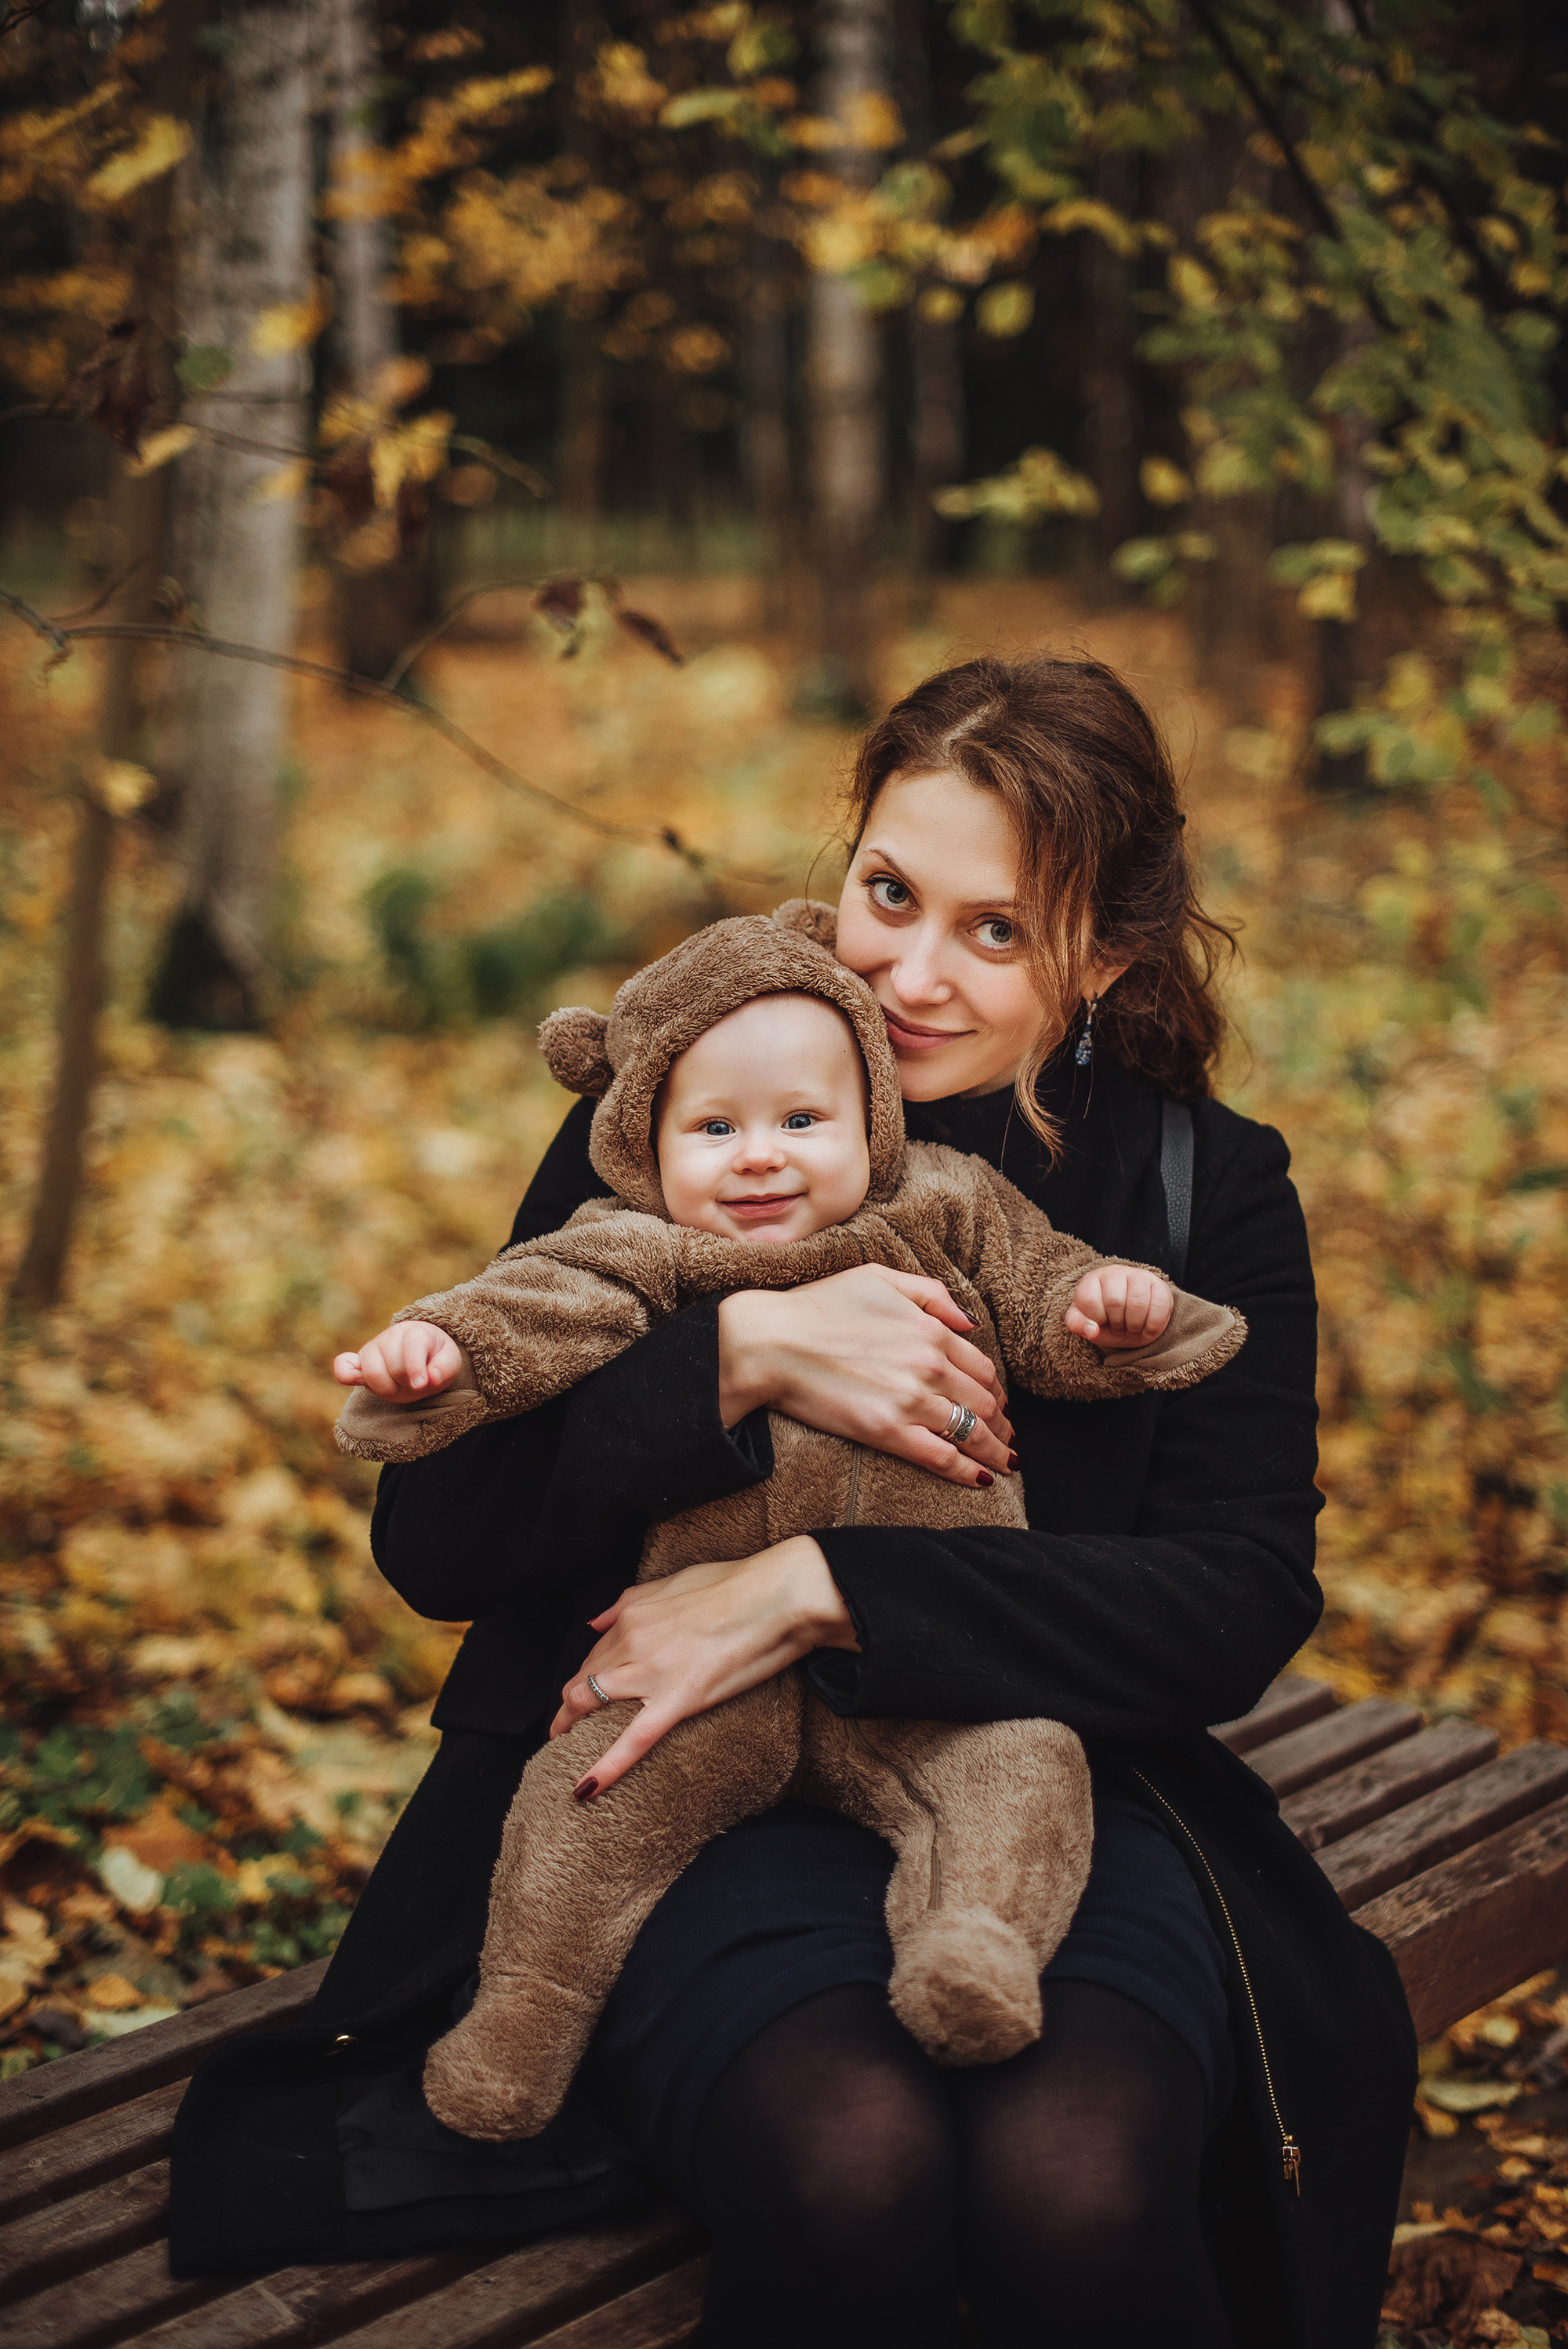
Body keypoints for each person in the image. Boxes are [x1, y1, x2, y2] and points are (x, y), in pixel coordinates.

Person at [170, 654, 1416, 2349]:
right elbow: (435, 1543)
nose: (906, 970)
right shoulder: (704, 1087)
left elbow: (1235, 1594)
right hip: (674, 1800)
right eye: (888, 890)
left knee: (1081, 2168)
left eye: (995, 929)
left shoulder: (1200, 1187)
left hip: (1041, 1780)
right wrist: (735, 1357)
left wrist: (819, 1585)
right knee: (850, 2158)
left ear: (1105, 954)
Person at [327, 906, 1243, 2142]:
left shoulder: (953, 1202)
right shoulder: (637, 1234)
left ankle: (970, 1947)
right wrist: (447, 1360)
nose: (758, 1156)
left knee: (1027, 1772)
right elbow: (520, 1319)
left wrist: (1120, 1309)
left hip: (945, 1690)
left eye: (996, 926)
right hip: (697, 1696)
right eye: (889, 892)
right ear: (650, 1138)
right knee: (584, 1804)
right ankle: (520, 2023)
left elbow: (1051, 1302)